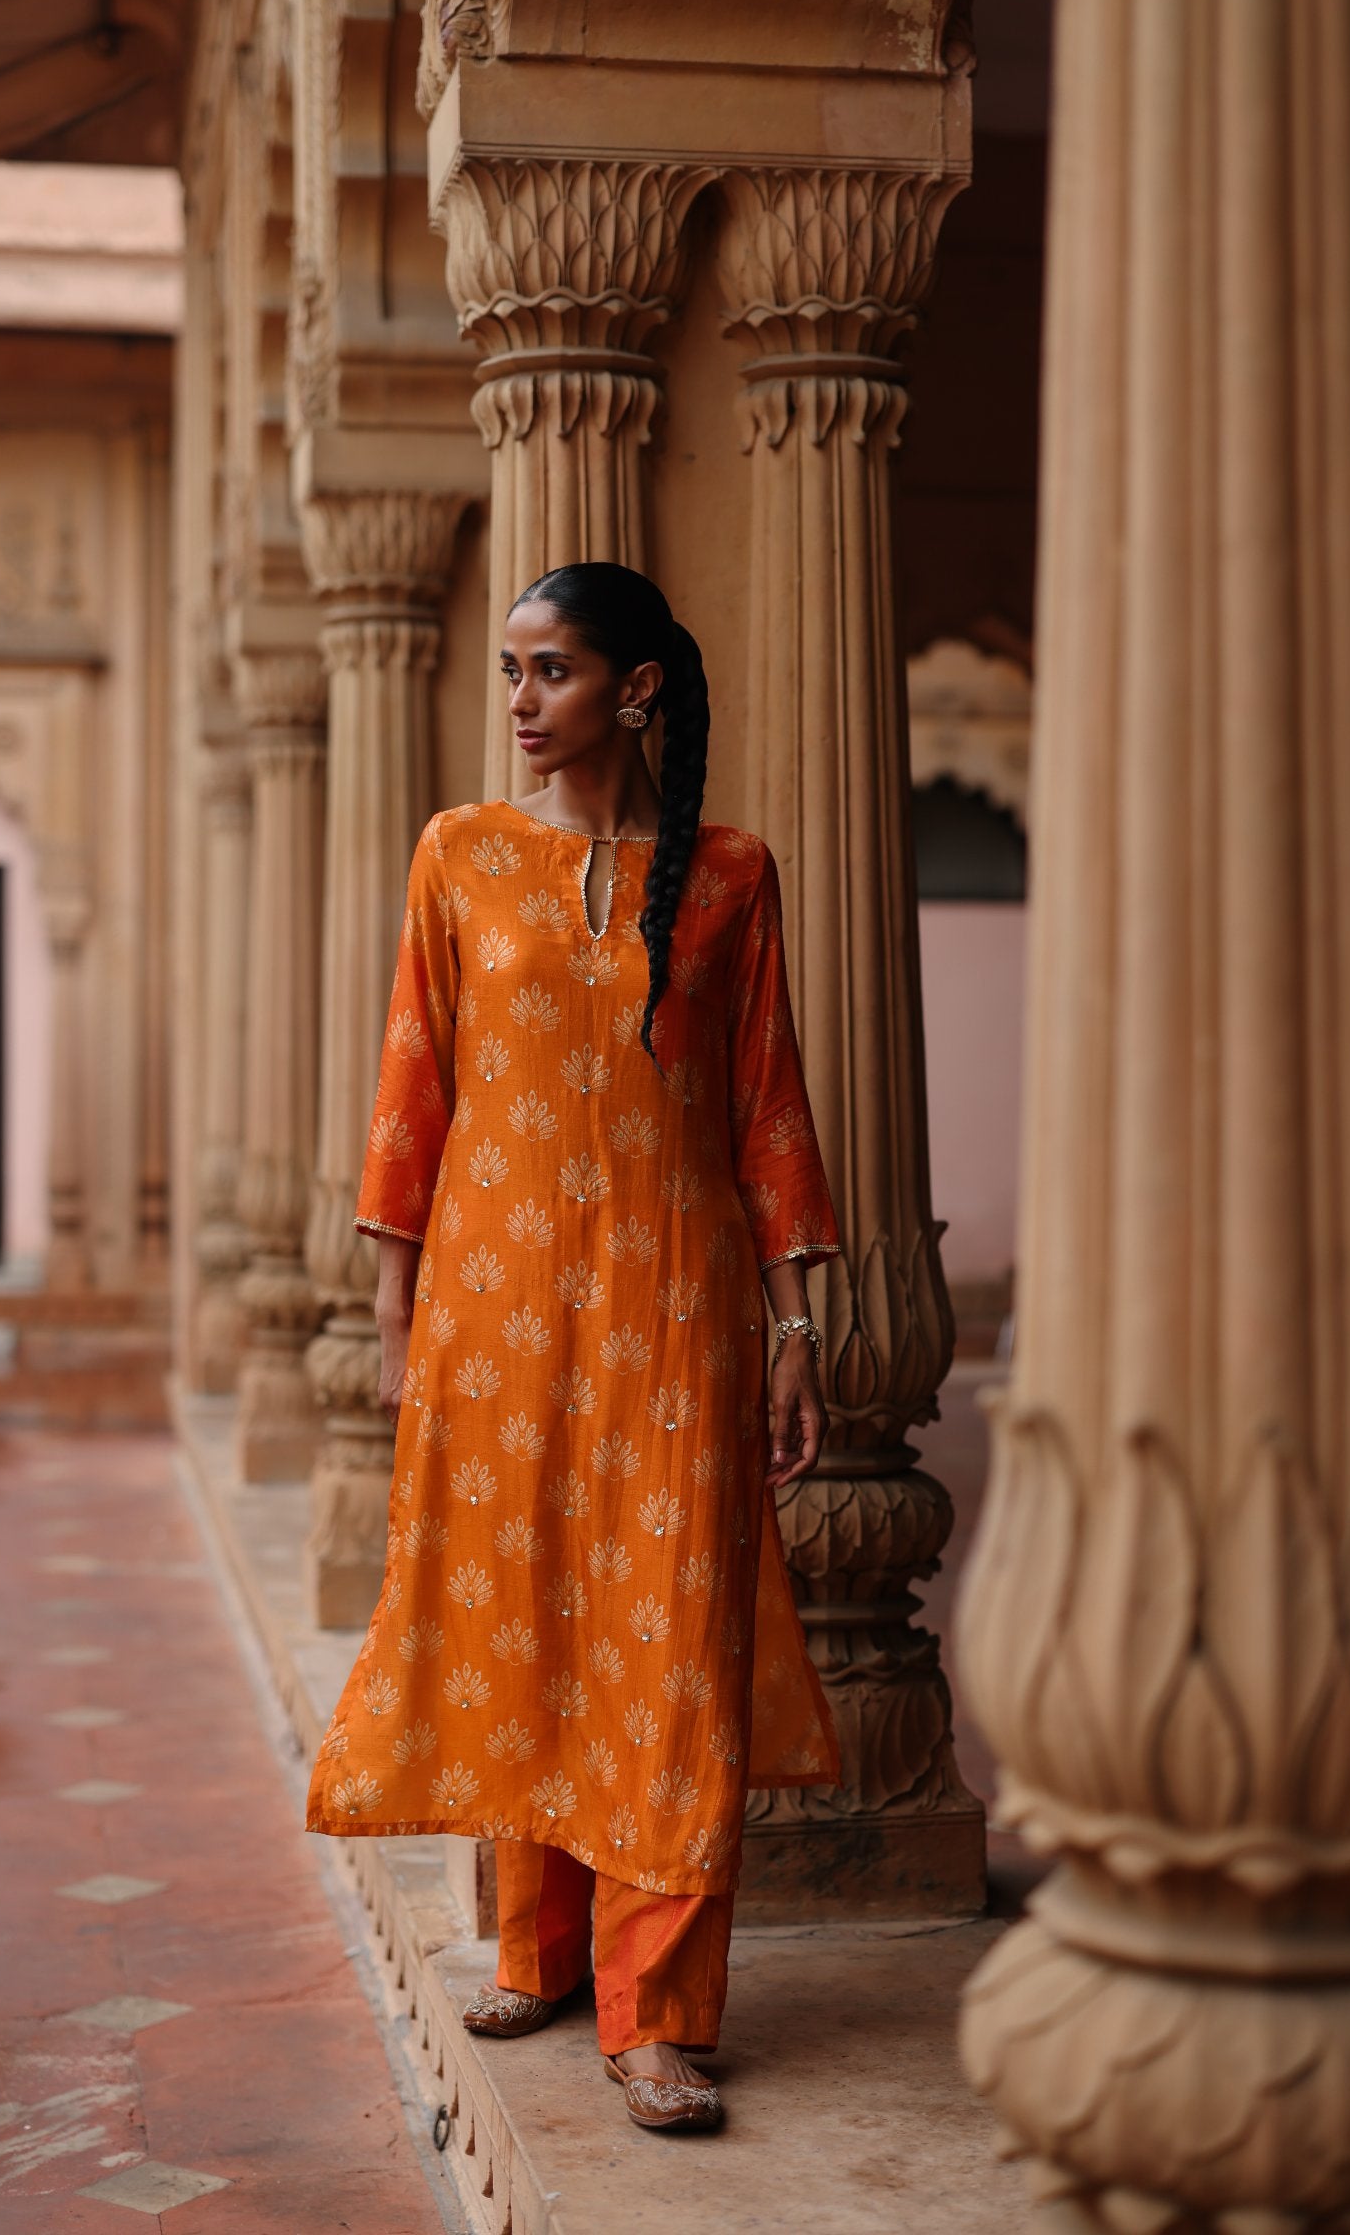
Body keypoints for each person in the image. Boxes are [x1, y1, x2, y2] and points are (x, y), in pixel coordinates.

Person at [306, 561, 842, 2135]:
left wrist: (795, 1328)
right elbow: (413, 1084)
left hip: (677, 1319)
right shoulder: (461, 854)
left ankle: (657, 2016)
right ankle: (535, 1952)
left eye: (551, 670)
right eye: (511, 671)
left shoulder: (729, 875)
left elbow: (767, 1107)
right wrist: (394, 1318)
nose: (522, 701)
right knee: (524, 1614)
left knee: (667, 1648)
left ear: (637, 688)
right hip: (496, 1319)